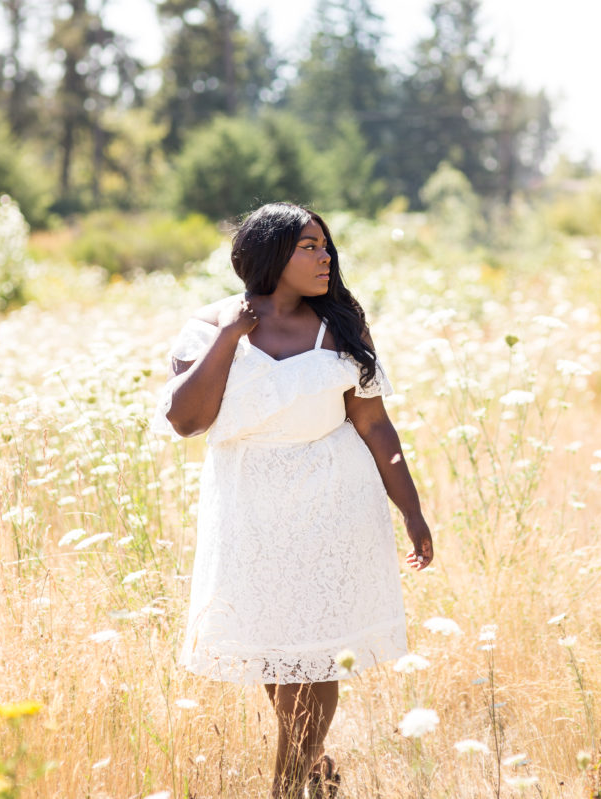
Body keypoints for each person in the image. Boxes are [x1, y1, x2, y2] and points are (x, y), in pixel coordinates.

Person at [154, 202, 433, 799]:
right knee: (277, 648)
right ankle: (314, 765)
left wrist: (411, 510)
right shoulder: (208, 326)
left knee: (316, 653)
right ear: (272, 253)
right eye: (309, 246)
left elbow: (375, 425)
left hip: (334, 501)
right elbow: (186, 419)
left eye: (326, 246)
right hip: (248, 508)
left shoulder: (341, 325)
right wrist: (233, 334)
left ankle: (287, 786)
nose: (325, 257)